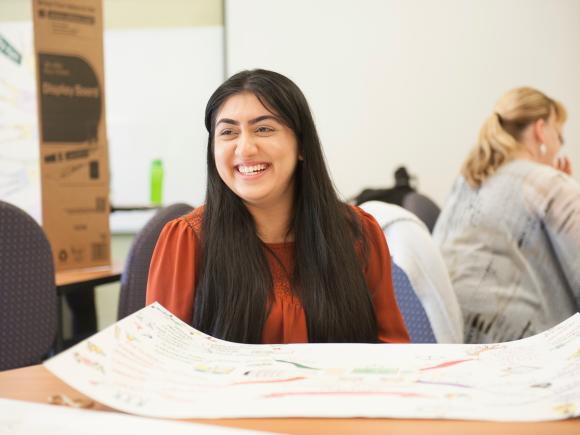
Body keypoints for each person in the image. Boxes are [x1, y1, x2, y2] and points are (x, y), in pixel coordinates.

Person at [146, 69, 409, 345]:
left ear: (302, 145)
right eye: (228, 132)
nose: (244, 148)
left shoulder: (357, 233)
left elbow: (391, 352)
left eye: (264, 129)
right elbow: (161, 366)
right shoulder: (187, 241)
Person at [433, 87, 580, 344]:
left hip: (450, 339)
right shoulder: (548, 183)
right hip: (525, 350)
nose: (559, 147)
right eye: (559, 136)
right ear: (540, 130)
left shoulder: (466, 182)